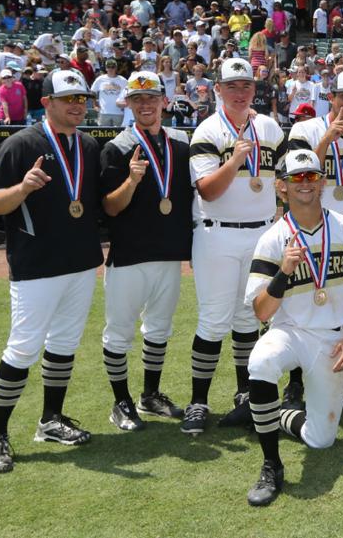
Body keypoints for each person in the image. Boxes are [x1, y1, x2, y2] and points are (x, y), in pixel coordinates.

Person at [0, 69, 102, 473]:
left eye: (81, 99)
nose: (76, 105)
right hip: (36, 266)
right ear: (46, 103)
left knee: (64, 345)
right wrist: (23, 188)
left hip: (81, 263)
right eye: (67, 98)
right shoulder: (21, 144)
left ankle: (51, 419)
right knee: (23, 348)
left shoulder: (88, 144)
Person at [242, 149, 343, 506]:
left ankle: (269, 413)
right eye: (297, 178)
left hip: (333, 336)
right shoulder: (272, 238)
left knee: (321, 439)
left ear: (323, 182)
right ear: (281, 187)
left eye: (312, 176)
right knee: (261, 363)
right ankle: (271, 464)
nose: (305, 184)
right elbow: (261, 312)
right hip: (290, 331)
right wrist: (284, 271)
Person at [183, 58, 287, 434]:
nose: (240, 93)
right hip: (218, 232)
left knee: (248, 318)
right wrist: (238, 158)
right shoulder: (208, 130)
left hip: (261, 232)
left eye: (246, 86)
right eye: (232, 87)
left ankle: (245, 396)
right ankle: (198, 402)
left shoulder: (269, 127)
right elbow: (208, 190)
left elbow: (286, 174)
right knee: (213, 320)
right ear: (218, 91)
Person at [97, 72, 195, 431]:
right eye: (138, 99)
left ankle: (150, 395)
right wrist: (132, 180)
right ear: (128, 104)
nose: (146, 104)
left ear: (164, 101)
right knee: (119, 331)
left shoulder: (181, 144)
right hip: (130, 254)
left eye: (152, 97)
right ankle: (121, 402)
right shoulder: (117, 148)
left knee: (159, 328)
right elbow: (109, 207)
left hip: (168, 253)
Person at [288, 70, 343, 223]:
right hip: (316, 222)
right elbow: (301, 176)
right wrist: (326, 140)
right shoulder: (304, 129)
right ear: (330, 97)